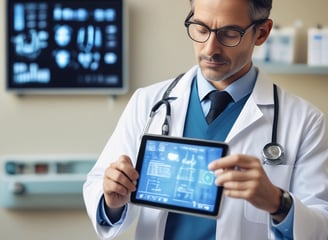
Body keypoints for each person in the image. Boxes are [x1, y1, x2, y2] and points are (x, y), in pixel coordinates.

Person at [83, 0, 328, 239]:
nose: (210, 48)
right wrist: (111, 200)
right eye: (201, 29)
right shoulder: (147, 102)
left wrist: (277, 202)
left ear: (262, 33)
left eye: (229, 33)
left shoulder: (306, 122)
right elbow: (100, 185)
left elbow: (322, 224)